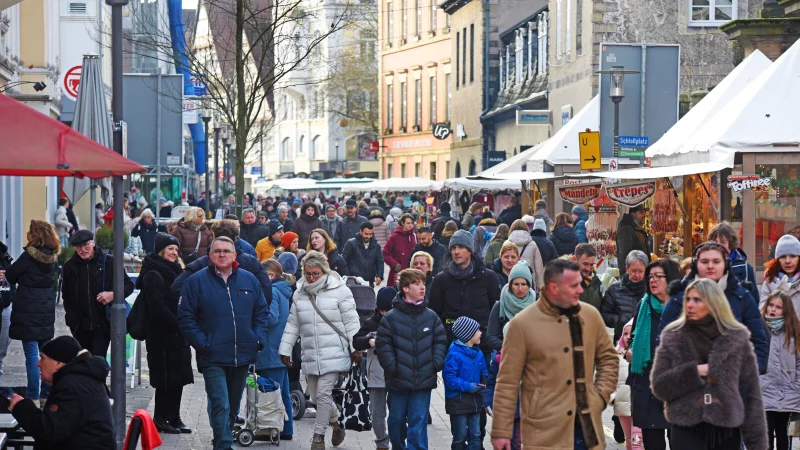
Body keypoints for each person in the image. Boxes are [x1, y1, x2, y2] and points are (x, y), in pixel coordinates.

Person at [490, 260, 618, 450]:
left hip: (587, 428)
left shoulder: (590, 316)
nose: (580, 290)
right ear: (553, 288)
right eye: (574, 285)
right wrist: (501, 430)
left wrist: (599, 396)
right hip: (544, 429)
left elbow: (608, 359)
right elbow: (507, 381)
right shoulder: (522, 324)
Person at [651, 279, 767, 450]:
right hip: (686, 428)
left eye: (697, 300)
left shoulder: (736, 338)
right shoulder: (673, 336)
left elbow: (751, 394)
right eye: (687, 299)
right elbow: (659, 385)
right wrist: (694, 373)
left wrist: (756, 444)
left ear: (714, 303)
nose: (690, 305)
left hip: (726, 430)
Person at [178, 237, 270, 450]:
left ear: (234, 255)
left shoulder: (249, 280)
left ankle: (222, 438)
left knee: (232, 406)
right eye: (217, 251)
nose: (222, 254)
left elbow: (261, 312)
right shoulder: (196, 281)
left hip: (242, 354)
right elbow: (185, 317)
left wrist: (257, 339)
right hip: (212, 355)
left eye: (226, 251)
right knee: (220, 403)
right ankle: (224, 445)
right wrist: (203, 343)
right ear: (209, 256)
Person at [279, 251, 361, 450]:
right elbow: (293, 324)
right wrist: (285, 349)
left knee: (323, 394)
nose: (312, 277)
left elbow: (352, 322)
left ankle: (318, 437)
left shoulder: (340, 290)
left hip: (335, 351)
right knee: (315, 397)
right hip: (310, 351)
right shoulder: (299, 293)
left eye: (316, 273)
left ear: (324, 271)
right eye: (308, 274)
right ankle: (336, 422)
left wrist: (356, 347)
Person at [659, 242, 768, 374]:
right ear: (695, 265)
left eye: (716, 261)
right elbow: (662, 342)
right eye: (704, 261)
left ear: (726, 264)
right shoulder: (679, 299)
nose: (710, 266)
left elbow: (758, 342)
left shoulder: (742, 298)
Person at [376, 269, 447, 450]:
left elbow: (440, 340)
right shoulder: (390, 318)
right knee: (396, 420)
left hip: (423, 379)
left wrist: (435, 363)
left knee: (418, 420)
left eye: (423, 283)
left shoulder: (431, 316)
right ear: (406, 288)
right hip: (398, 379)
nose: (422, 287)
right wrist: (393, 367)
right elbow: (383, 344)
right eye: (417, 283)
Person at [1, 336, 114, 448]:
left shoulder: (72, 386)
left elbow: (49, 431)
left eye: (43, 358)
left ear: (58, 363)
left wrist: (21, 406)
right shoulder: (80, 380)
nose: (38, 363)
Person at [138, 233, 193, 434]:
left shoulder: (177, 270)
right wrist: (179, 323)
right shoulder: (153, 273)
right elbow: (157, 306)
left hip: (178, 333)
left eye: (176, 250)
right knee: (165, 378)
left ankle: (174, 417)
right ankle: (160, 418)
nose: (174, 252)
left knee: (178, 376)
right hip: (160, 334)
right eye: (170, 249)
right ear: (161, 250)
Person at [623, 258, 681, 450]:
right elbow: (633, 337)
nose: (652, 281)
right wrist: (631, 351)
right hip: (646, 384)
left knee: (680, 441)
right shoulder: (644, 305)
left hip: (676, 386)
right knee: (652, 443)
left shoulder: (684, 306)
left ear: (671, 278)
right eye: (650, 277)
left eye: (658, 276)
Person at [6, 220, 59, 406]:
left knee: (31, 356)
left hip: (28, 312)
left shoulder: (29, 256)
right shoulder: (52, 257)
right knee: (46, 355)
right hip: (45, 311)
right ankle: (45, 394)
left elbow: (11, 275)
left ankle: (33, 397)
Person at [62, 230, 134, 357]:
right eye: (79, 247)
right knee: (83, 362)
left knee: (97, 361)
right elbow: (67, 296)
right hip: (80, 325)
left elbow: (129, 286)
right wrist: (72, 320)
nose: (83, 249)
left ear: (93, 243)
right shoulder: (69, 266)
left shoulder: (109, 262)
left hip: (102, 323)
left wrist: (113, 295)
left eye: (86, 245)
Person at [171, 219, 272, 305]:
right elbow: (266, 290)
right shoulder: (251, 262)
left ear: (214, 238)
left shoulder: (200, 264)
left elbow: (177, 288)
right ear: (236, 238)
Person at [353, 287, 397, 450]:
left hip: (396, 375)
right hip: (376, 374)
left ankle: (397, 440)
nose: (385, 313)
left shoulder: (399, 321)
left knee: (397, 413)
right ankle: (382, 442)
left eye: (388, 310)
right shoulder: (371, 322)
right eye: (382, 310)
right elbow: (356, 341)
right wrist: (368, 341)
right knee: (377, 413)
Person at [256, 259, 293, 440]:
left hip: (270, 349)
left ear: (270, 276)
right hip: (281, 349)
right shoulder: (284, 290)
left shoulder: (272, 291)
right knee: (283, 392)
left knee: (271, 393)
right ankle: (286, 429)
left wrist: (254, 318)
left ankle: (272, 428)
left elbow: (271, 318)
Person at [760, 291, 800, 450]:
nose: (773, 309)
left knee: (783, 431)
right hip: (765, 389)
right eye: (771, 305)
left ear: (786, 310)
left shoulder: (793, 331)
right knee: (766, 431)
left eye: (778, 307)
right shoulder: (759, 329)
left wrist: (797, 386)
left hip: (787, 390)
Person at [443, 317, 489, 450]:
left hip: (475, 400)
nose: (481, 333)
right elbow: (450, 379)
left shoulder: (478, 352)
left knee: (476, 434)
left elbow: (484, 371)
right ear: (468, 335)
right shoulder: (454, 354)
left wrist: (483, 383)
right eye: (477, 330)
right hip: (458, 402)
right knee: (460, 435)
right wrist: (469, 386)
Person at [485, 260, 535, 351]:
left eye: (523, 284)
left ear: (529, 285)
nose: (520, 289)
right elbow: (491, 336)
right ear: (510, 285)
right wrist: (508, 346)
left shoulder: (538, 303)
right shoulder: (500, 305)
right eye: (516, 284)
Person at [601, 250, 648, 342]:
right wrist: (620, 320)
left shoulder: (651, 289)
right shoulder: (614, 289)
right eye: (634, 271)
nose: (637, 275)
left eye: (641, 271)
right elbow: (603, 315)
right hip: (622, 341)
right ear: (627, 269)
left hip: (645, 341)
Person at [710, 221, 759, 302]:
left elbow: (754, 303)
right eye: (715, 242)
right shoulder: (705, 266)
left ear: (731, 244)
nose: (718, 245)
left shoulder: (746, 269)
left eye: (722, 242)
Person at [613, 320, 642, 450]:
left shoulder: (642, 356)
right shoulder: (615, 355)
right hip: (622, 408)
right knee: (629, 441)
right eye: (625, 333)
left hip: (639, 408)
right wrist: (613, 398)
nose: (628, 337)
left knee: (637, 442)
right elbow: (607, 380)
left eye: (631, 334)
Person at [760, 234, 800, 310]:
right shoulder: (769, 282)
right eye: (783, 257)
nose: (787, 261)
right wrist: (778, 293)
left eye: (792, 256)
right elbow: (762, 314)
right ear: (777, 260)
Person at [341, 222, 384, 287]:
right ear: (361, 232)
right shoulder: (351, 243)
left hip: (369, 281)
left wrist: (379, 276)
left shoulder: (376, 246)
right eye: (366, 234)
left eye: (370, 234)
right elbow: (343, 260)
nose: (368, 236)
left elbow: (380, 262)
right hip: (353, 280)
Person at [506, 219, 544, 289]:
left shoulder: (507, 243)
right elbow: (538, 267)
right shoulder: (532, 244)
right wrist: (540, 285)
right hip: (529, 280)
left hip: (511, 279)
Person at [383, 213, 417, 286]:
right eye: (408, 223)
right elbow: (385, 253)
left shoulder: (413, 236)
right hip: (398, 272)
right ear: (402, 223)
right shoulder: (394, 236)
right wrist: (395, 264)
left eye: (411, 223)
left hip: (412, 272)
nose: (410, 225)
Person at [575, 243, 602, 310]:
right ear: (576, 260)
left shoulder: (595, 280)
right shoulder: (567, 283)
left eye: (591, 264)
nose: (588, 268)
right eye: (585, 264)